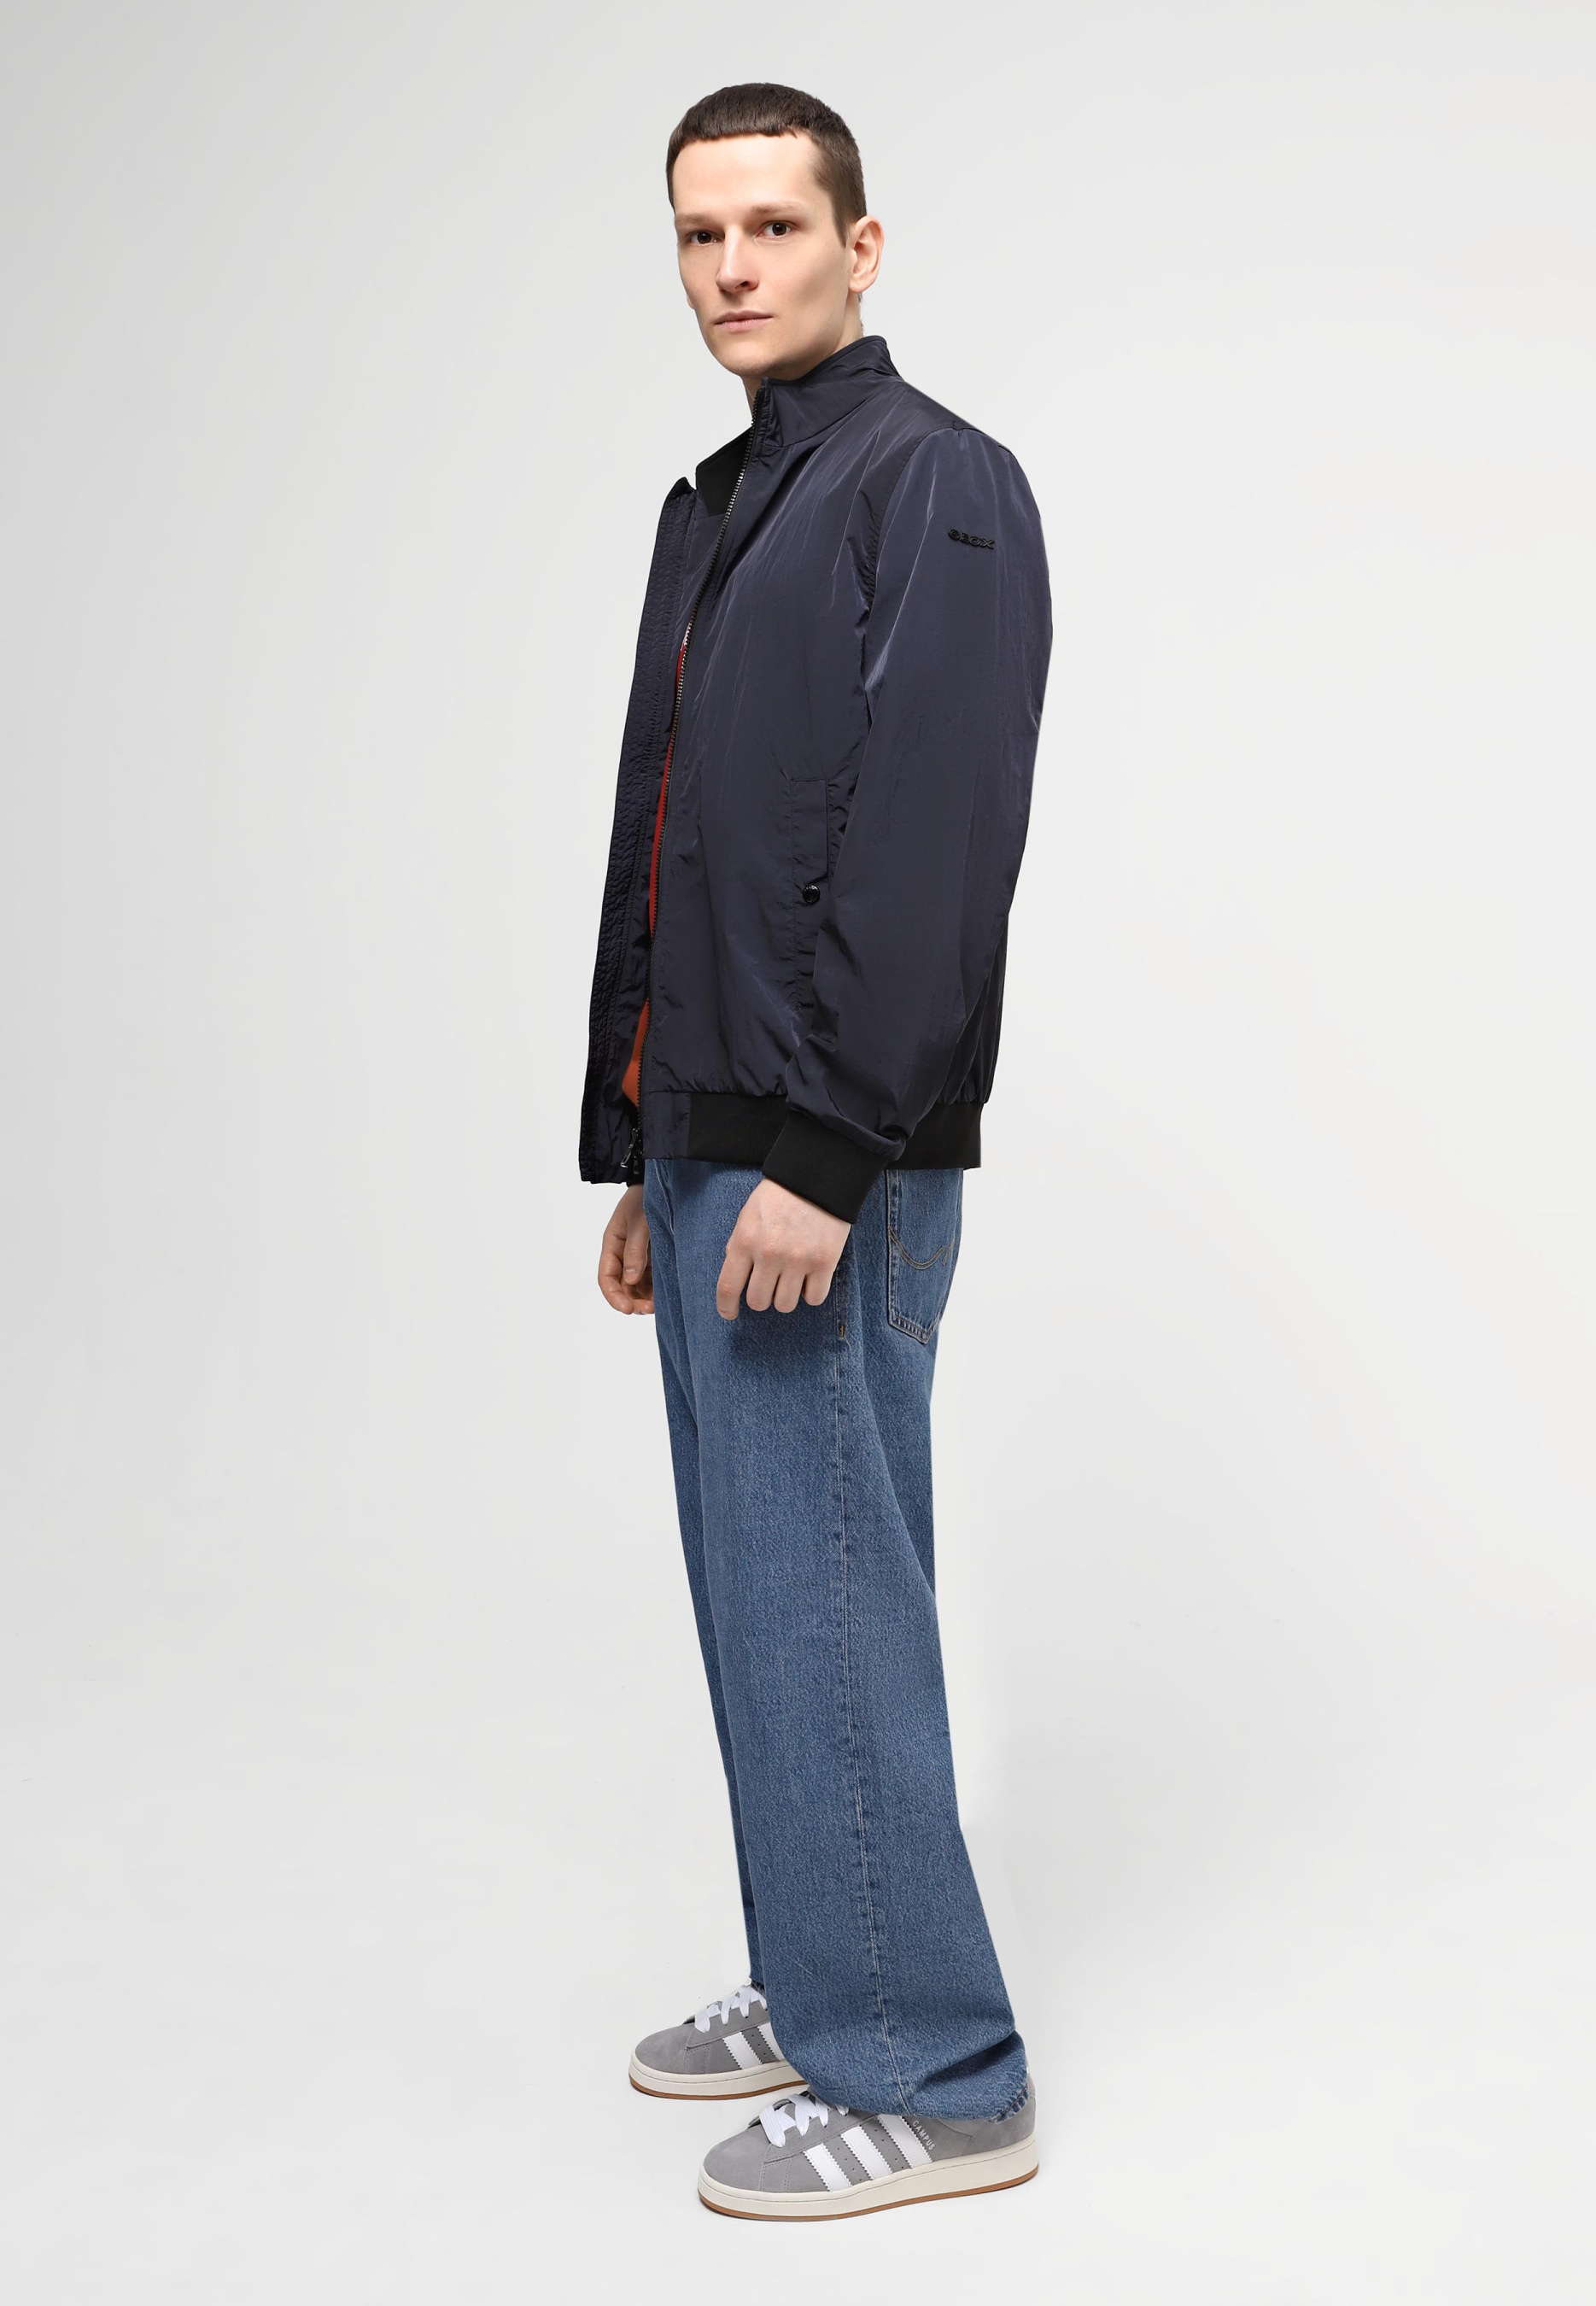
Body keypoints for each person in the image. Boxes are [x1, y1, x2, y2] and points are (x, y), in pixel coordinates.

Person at [580, 81, 1053, 2221]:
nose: (732, 268)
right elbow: (684, 851)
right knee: (769, 1596)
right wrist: (643, 1139)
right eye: (700, 235)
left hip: (816, 1155)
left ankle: (936, 2074)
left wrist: (828, 1153)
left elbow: (931, 842)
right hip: (720, 1137)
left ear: (861, 247)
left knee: (827, 1593)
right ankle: (826, 1979)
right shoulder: (724, 502)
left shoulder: (929, 483)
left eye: (772, 226)